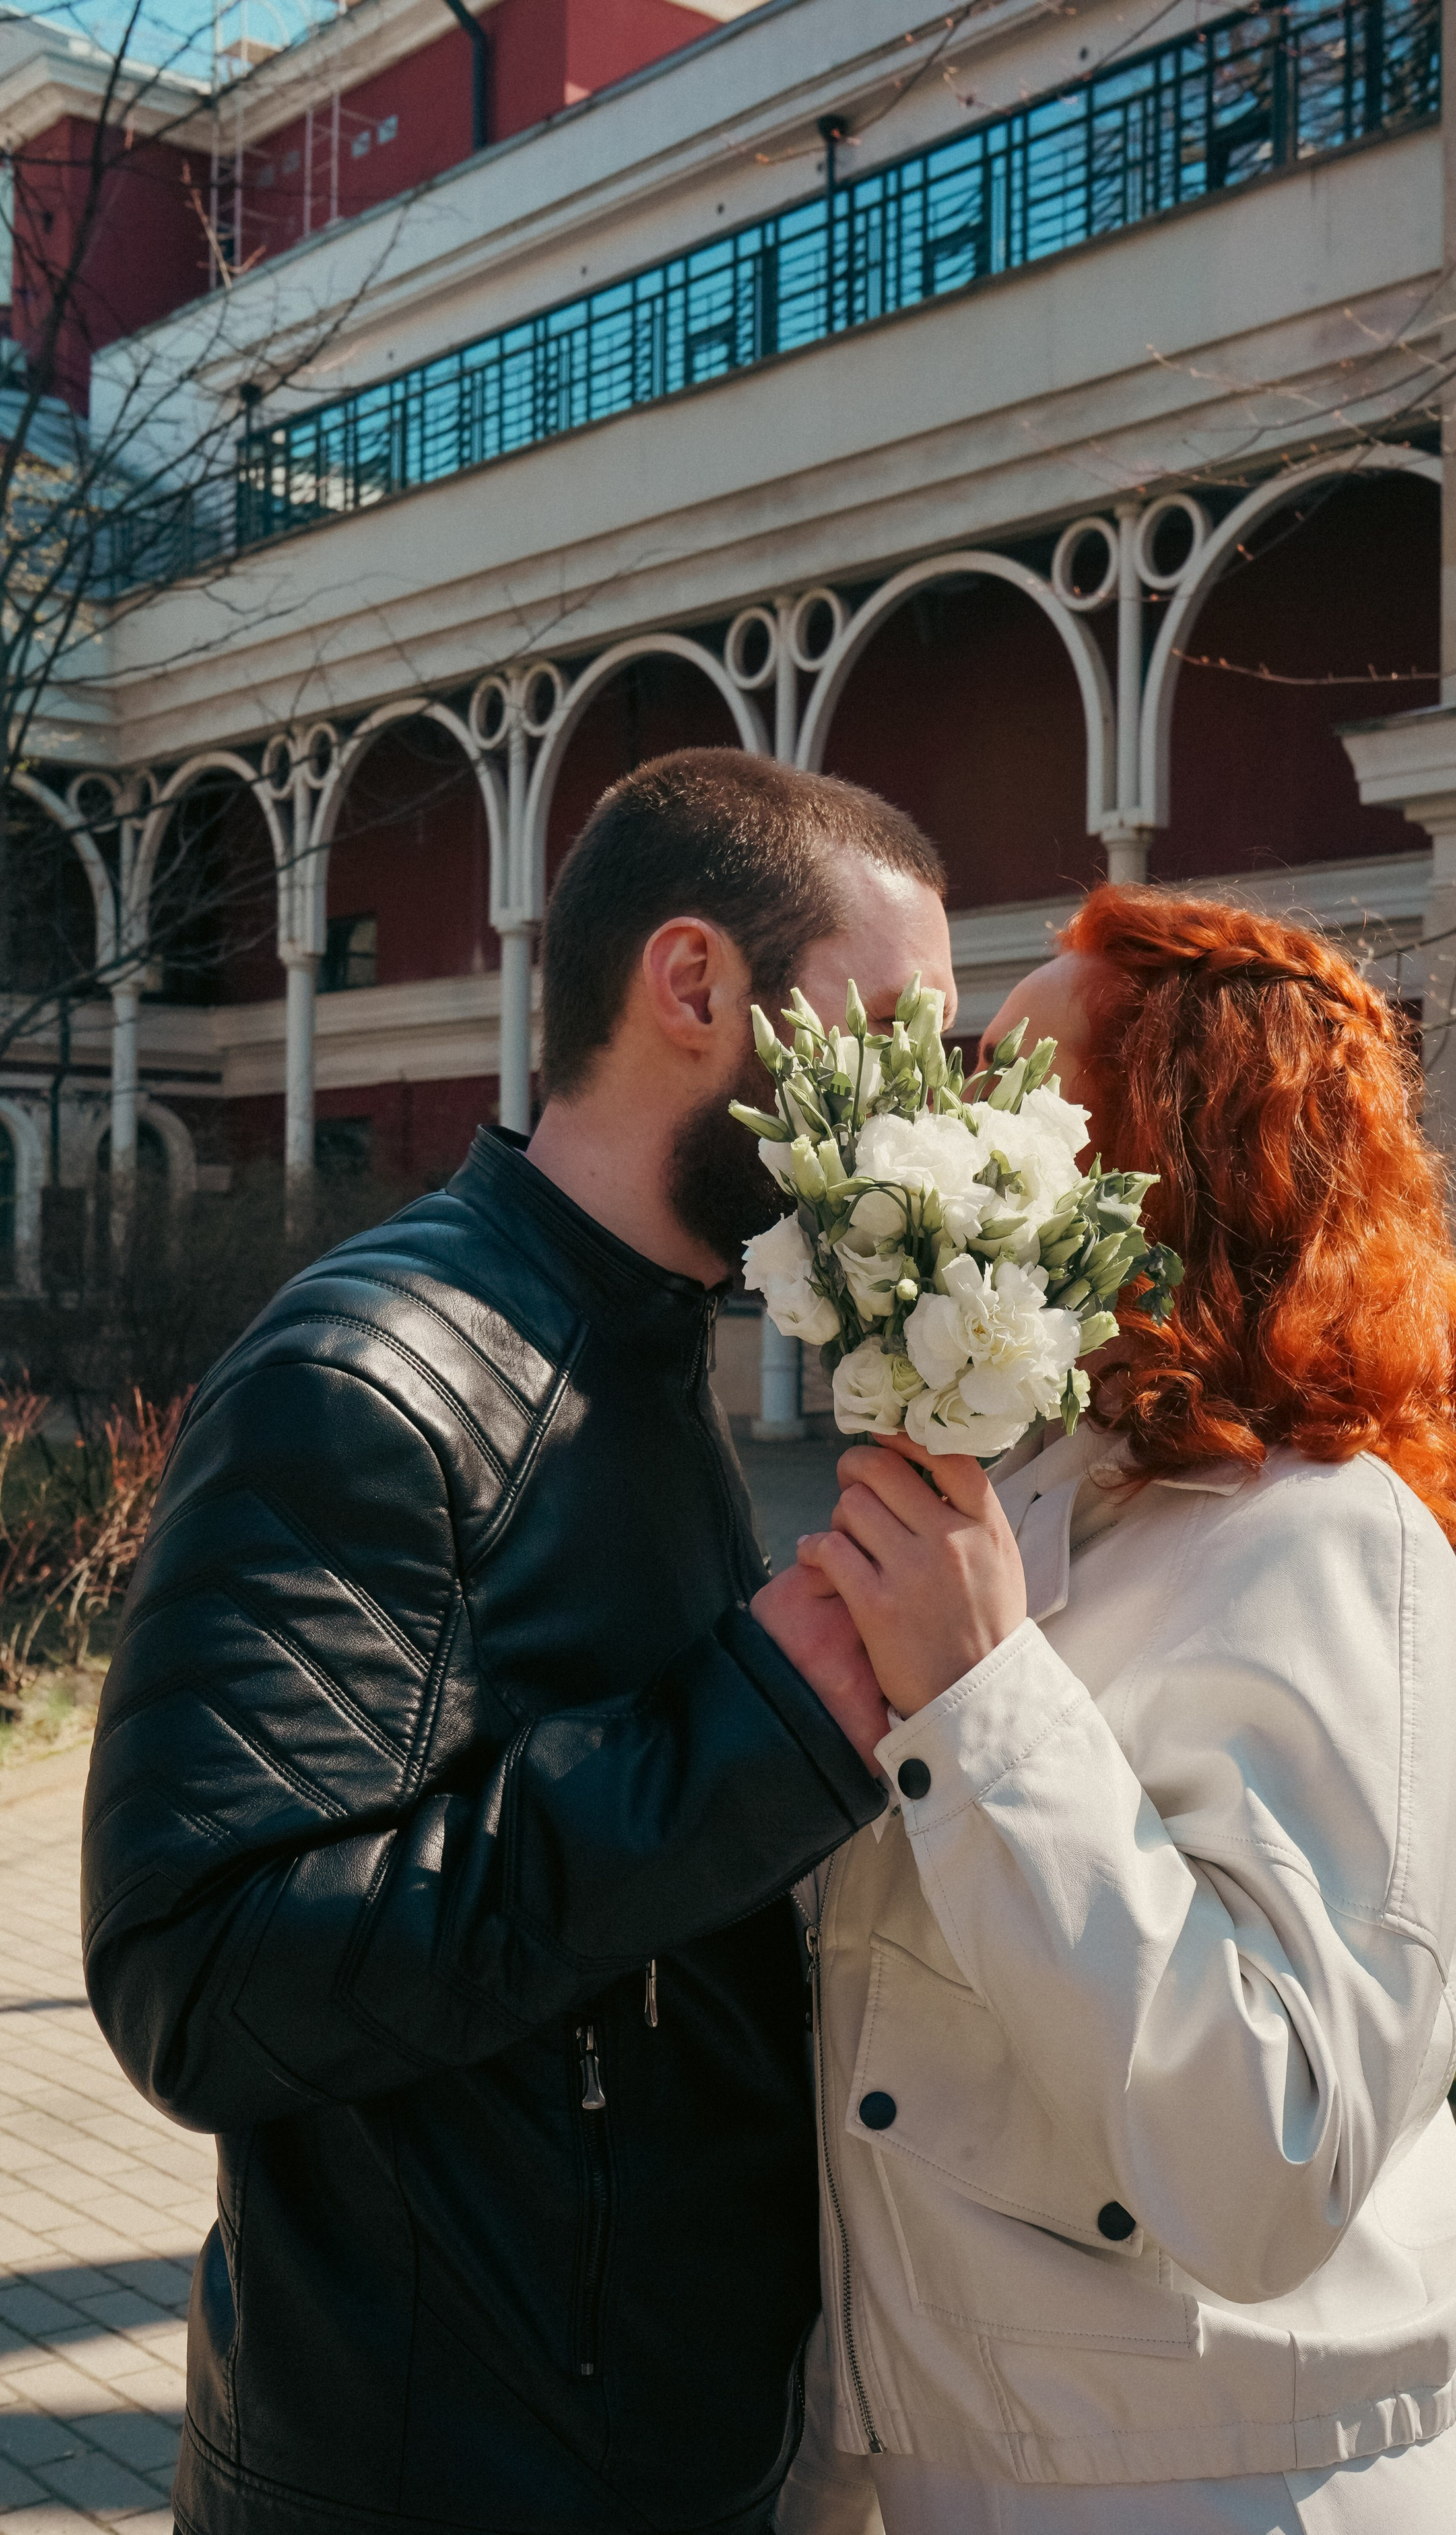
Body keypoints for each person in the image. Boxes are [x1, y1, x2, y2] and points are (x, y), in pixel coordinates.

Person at [81, 749, 956, 2535]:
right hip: (441, 2483)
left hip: (641, 2453)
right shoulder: (367, 1381)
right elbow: (201, 1979)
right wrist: (761, 1729)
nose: (922, 1110)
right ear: (698, 987)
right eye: (896, 1038)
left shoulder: (648, 1350)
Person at [779, 887, 1456, 2534]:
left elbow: (1274, 2155)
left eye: (1010, 1081)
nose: (950, 1122)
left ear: (1182, 1153)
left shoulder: (1331, 1542)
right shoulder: (1051, 1500)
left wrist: (979, 1703)